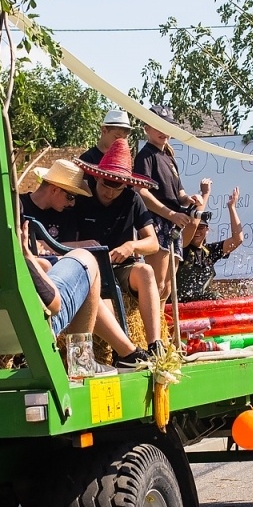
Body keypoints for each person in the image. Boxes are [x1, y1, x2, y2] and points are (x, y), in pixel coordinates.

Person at [20, 158, 148, 367]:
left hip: (52, 286)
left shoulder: (66, 214)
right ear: (54, 189)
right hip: (43, 291)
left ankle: (124, 353)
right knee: (87, 268)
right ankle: (118, 355)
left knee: (88, 278)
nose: (72, 203)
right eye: (70, 196)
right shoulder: (21, 207)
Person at [63, 137, 166, 358]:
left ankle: (155, 345)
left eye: (117, 188)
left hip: (122, 268)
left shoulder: (132, 199)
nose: (109, 192)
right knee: (104, 300)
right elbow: (64, 243)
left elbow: (153, 243)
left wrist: (131, 246)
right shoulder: (82, 198)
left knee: (147, 271)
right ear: (97, 177)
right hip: (90, 270)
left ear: (126, 185)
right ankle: (123, 352)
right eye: (105, 185)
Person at [132, 106, 207, 296]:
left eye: (168, 127)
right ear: (147, 128)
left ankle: (162, 323)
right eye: (158, 126)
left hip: (174, 223)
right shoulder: (145, 156)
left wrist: (188, 198)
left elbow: (178, 192)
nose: (164, 132)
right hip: (157, 221)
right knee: (157, 285)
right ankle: (152, 324)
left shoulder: (169, 157)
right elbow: (140, 191)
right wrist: (170, 214)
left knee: (167, 288)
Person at [177, 187, 244, 302]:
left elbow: (237, 240)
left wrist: (231, 208)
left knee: (214, 295)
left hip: (203, 307)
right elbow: (193, 224)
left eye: (201, 227)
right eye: (196, 228)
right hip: (181, 306)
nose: (197, 231)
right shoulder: (182, 247)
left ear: (207, 230)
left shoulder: (210, 252)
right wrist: (205, 193)